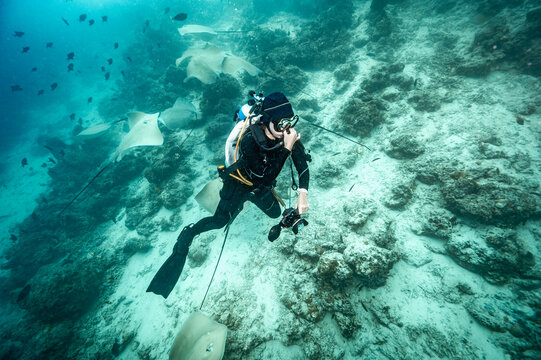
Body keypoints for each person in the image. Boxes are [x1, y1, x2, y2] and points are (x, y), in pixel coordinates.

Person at [147, 92, 310, 298]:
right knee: (220, 221)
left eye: (290, 122)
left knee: (275, 213)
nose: (287, 130)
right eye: (281, 125)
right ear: (267, 122)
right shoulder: (251, 140)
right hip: (239, 182)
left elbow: (302, 165)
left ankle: (250, 198)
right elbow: (264, 178)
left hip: (259, 184)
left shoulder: (285, 134)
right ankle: (188, 234)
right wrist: (286, 148)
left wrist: (302, 193)